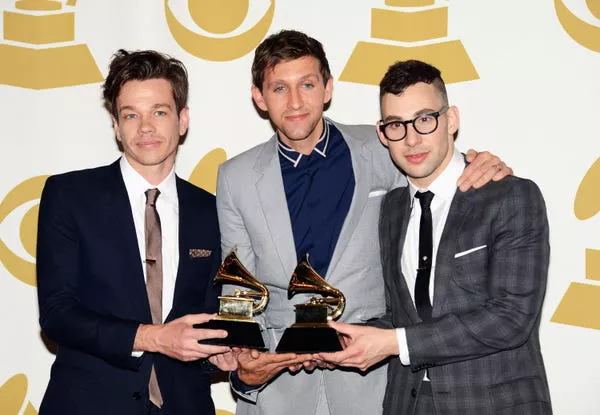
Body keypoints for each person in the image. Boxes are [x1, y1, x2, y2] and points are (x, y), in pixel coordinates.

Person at [216, 30, 511, 415]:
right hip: (279, 387)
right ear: (259, 97)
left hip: (374, 381)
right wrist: (244, 353)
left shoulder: (383, 147)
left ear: (327, 88)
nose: (295, 102)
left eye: (307, 84)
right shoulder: (235, 176)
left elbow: (438, 174)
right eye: (279, 88)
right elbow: (239, 288)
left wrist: (480, 165)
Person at [319, 60, 552, 414]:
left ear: (451, 120)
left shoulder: (509, 197)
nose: (411, 139)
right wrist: (344, 336)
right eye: (397, 125)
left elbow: (511, 317)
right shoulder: (393, 208)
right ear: (383, 134)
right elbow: (403, 315)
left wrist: (393, 342)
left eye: (425, 119)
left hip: (493, 404)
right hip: (408, 403)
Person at [36, 49, 236, 415]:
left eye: (159, 112)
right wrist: (153, 338)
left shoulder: (211, 210)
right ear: (116, 124)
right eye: (131, 114)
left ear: (182, 119)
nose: (145, 127)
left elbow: (207, 316)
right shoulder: (69, 196)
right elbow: (57, 314)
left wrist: (221, 354)